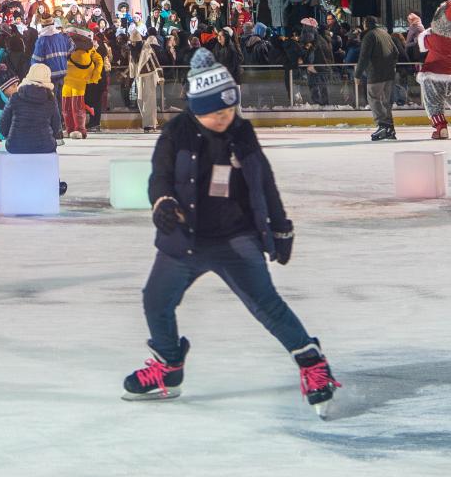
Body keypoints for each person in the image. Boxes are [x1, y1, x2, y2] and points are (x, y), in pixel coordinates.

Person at [122, 54, 339, 415]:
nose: (224, 119)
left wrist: (281, 227)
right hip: (185, 239)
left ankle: (313, 365)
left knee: (267, 305)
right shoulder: (176, 132)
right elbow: (158, 176)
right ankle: (169, 365)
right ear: (195, 108)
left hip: (235, 240)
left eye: (228, 110)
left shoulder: (242, 131)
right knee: (155, 300)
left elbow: (264, 182)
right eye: (214, 113)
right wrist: (162, 203)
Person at [418, 0, 451, 140]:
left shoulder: (433, 38)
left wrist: (424, 29)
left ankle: (441, 128)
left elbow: (422, 45)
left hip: (434, 74)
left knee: (434, 102)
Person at [0, 62, 63, 156]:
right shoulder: (51, 100)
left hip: (15, 146)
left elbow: (2, 125)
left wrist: (13, 136)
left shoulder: (15, 97)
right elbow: (56, 127)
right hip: (45, 147)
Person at [354, 15, 398, 141]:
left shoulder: (369, 36)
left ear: (365, 24)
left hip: (376, 74)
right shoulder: (384, 33)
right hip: (389, 74)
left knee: (373, 99)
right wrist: (391, 66)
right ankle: (390, 128)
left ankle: (383, 125)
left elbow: (364, 57)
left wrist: (357, 75)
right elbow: (396, 52)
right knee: (385, 101)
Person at [62, 35, 97, 139]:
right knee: (66, 107)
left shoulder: (87, 50)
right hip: (67, 81)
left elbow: (97, 61)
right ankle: (70, 128)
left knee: (77, 106)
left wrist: (93, 76)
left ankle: (80, 129)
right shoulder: (67, 48)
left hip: (78, 83)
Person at [30, 18, 73, 97]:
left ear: (42, 26)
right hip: (63, 75)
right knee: (61, 101)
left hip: (49, 78)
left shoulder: (41, 40)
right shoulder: (62, 37)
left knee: (52, 102)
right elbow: (72, 48)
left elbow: (36, 61)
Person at [130, 34, 163, 132]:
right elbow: (133, 64)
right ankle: (150, 122)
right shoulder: (133, 50)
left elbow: (155, 62)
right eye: (132, 42)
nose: (132, 44)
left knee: (149, 100)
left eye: (134, 42)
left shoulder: (147, 49)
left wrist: (160, 77)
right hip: (139, 77)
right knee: (140, 100)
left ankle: (149, 124)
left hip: (149, 76)